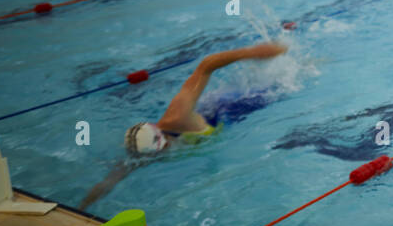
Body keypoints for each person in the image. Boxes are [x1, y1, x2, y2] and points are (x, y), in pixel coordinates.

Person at [80, 42, 289, 210]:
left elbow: (206, 65)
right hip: (213, 127)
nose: (156, 158)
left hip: (229, 108)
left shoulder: (176, 117)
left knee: (286, 85)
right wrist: (83, 208)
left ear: (161, 141)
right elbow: (110, 180)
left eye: (160, 152)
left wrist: (251, 52)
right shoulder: (143, 153)